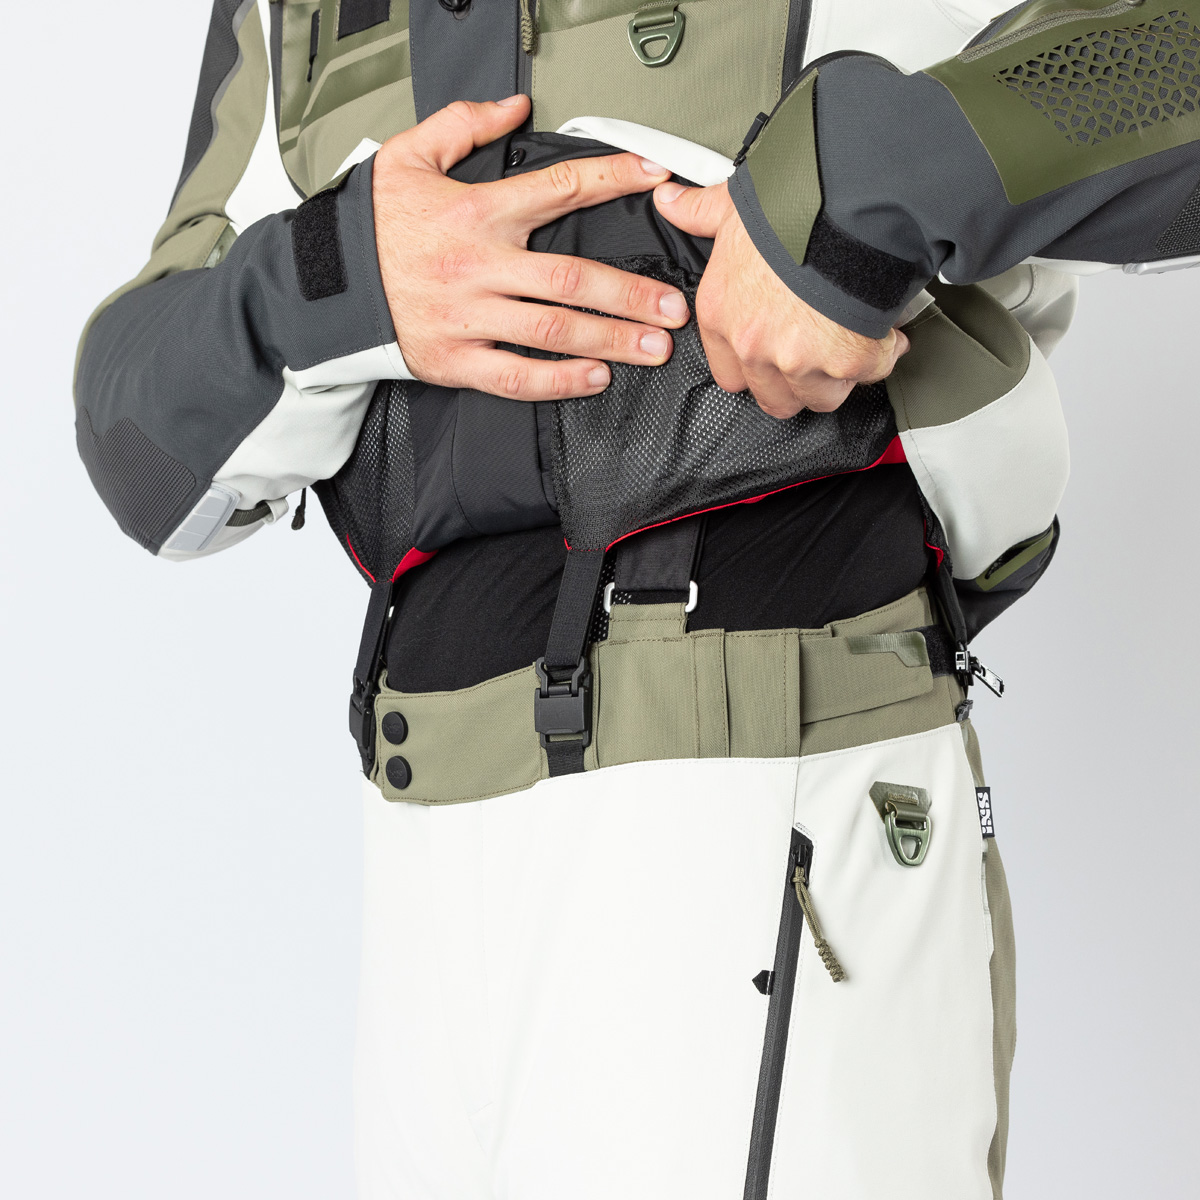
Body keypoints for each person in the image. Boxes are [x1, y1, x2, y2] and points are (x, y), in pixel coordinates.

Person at [72, 2, 1200, 1197]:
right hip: (422, 844)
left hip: (765, 779)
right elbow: (140, 442)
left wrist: (878, 175)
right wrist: (344, 269)